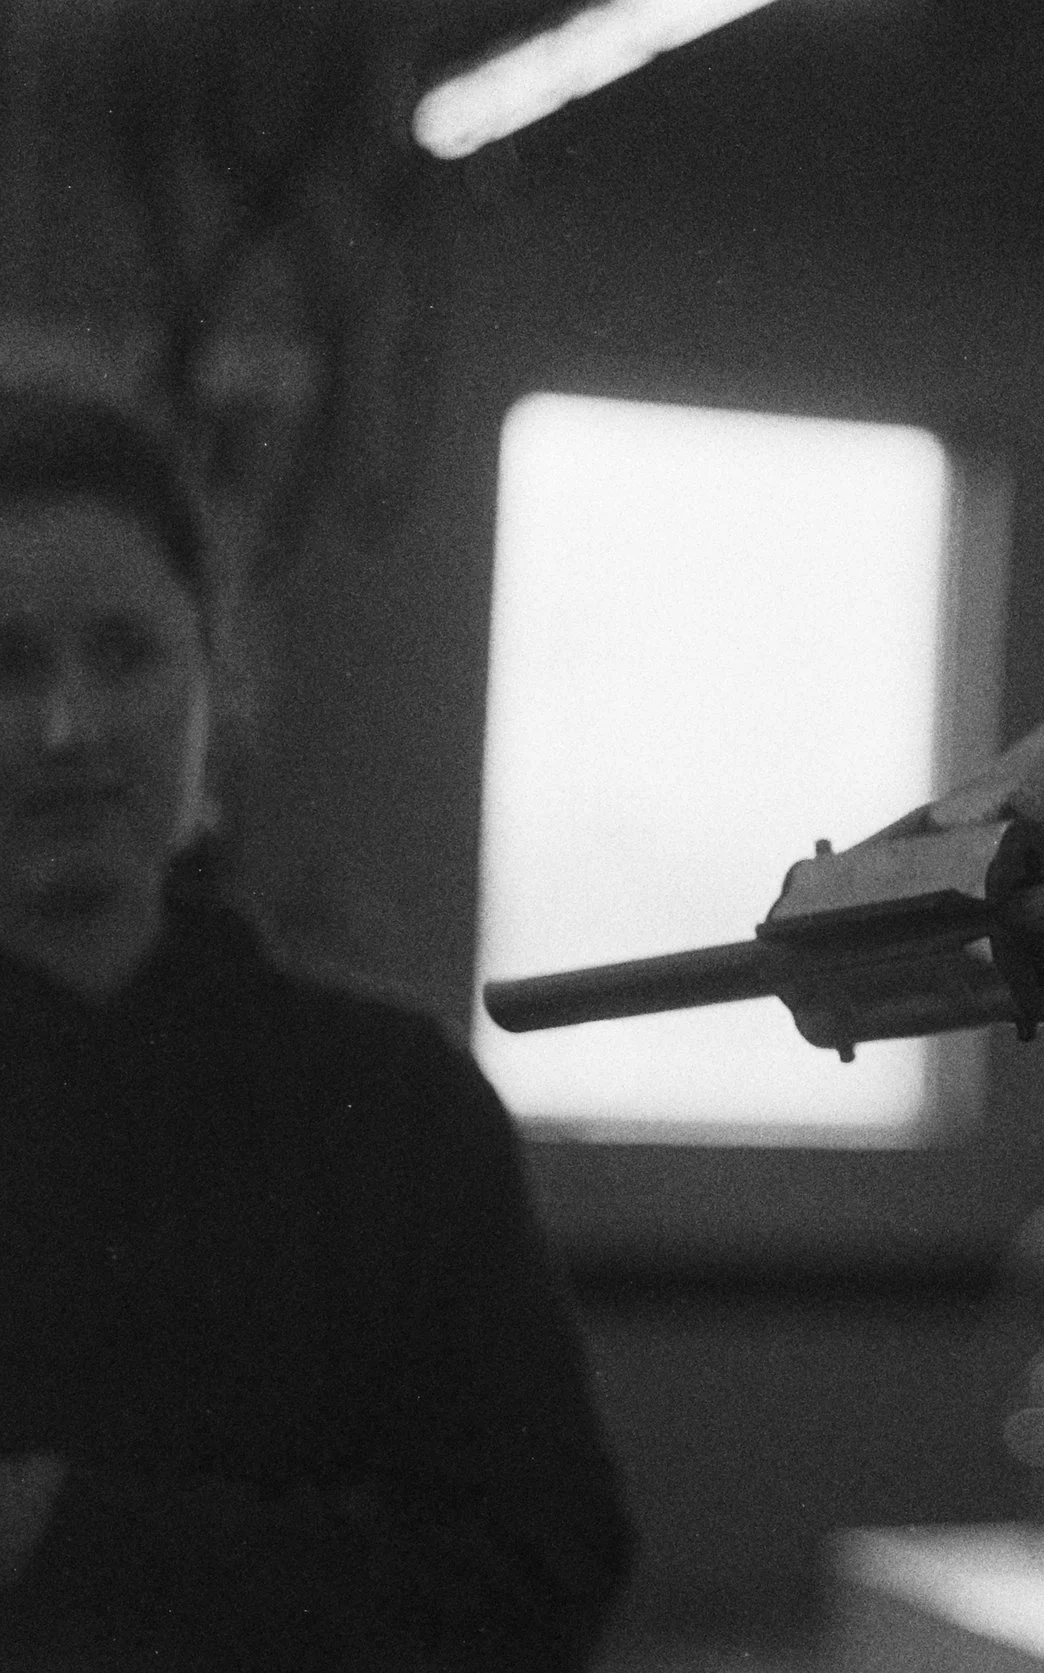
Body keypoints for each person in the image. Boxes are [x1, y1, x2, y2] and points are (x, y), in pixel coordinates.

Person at [0, 393, 634, 1668]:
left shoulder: (393, 1106)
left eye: (123, 653)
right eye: (3, 664)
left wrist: (66, 1529)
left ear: (214, 676)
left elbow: (547, 1573)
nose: (68, 726)